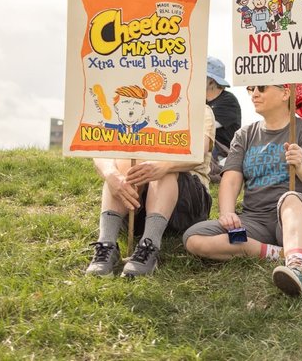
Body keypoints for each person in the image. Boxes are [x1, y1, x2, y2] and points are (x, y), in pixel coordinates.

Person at [184, 84, 302, 297]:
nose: (254, 94)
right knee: (194, 238)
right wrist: (227, 213)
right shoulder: (245, 134)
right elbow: (231, 180)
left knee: (290, 198)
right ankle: (280, 253)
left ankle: (297, 268)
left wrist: (300, 166)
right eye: (251, 89)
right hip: (255, 222)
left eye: (261, 88)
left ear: (285, 93)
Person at [86, 104, 215, 277]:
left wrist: (164, 166)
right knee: (123, 163)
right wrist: (111, 174)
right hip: (136, 206)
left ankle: (149, 246)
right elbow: (101, 147)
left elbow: (199, 150)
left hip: (187, 205)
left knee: (162, 165)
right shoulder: (132, 105)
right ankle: (106, 244)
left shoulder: (200, 108)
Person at [206, 56, 241, 164]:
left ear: (211, 82)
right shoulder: (200, 100)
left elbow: (205, 127)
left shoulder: (228, 101)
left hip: (222, 155)